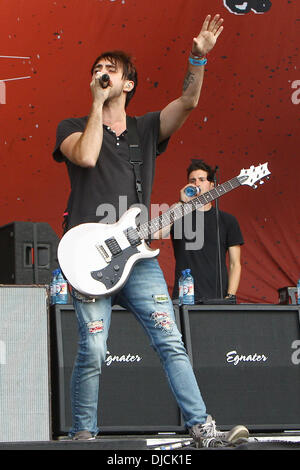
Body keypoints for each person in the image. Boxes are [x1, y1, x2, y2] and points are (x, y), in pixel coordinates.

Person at [53, 14, 249, 447]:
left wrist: (197, 59)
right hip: (89, 257)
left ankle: (203, 429)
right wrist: (94, 105)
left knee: (169, 339)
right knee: (94, 352)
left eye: (111, 69)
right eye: (96, 69)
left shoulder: (144, 129)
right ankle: (83, 435)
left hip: (138, 257)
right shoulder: (71, 127)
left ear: (128, 84)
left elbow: (189, 102)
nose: (101, 73)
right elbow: (85, 157)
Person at [171, 159, 244, 303]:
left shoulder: (227, 220)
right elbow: (158, 231)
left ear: (212, 185)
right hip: (184, 297)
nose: (196, 183)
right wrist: (181, 203)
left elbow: (235, 263)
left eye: (201, 179)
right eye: (192, 180)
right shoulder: (179, 216)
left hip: (217, 297)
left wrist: (230, 296)